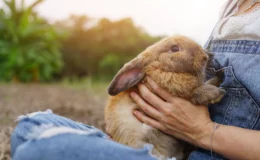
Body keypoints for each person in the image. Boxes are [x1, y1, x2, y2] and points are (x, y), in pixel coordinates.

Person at [11, 0, 260, 159]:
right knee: (30, 126)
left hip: (197, 152)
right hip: (162, 147)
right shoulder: (232, 6)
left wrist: (204, 131)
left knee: (43, 150)